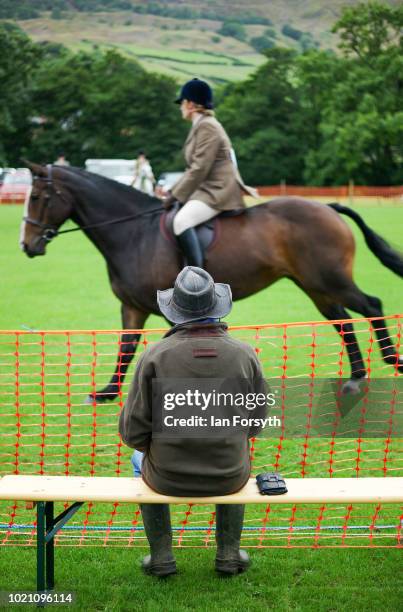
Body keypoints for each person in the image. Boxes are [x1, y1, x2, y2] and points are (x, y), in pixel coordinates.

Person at [119, 266, 268, 577]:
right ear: (216, 306)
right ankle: (228, 555)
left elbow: (132, 431)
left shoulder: (154, 355)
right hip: (230, 473)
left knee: (137, 458)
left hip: (166, 475)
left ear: (175, 311)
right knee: (239, 451)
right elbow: (256, 423)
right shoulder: (244, 354)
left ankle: (161, 557)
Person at [163, 77, 258, 268]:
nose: (180, 107)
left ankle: (195, 280)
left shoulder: (207, 126)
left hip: (217, 190)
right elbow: (194, 169)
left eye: (182, 102)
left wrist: (173, 196)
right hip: (207, 187)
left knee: (182, 221)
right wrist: (171, 191)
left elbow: (199, 168)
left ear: (190, 104)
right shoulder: (201, 125)